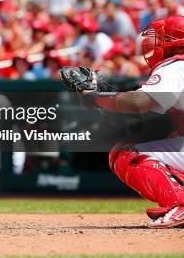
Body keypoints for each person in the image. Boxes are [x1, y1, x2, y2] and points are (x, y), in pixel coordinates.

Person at [65, 15, 183, 228]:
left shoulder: (176, 65)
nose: (155, 43)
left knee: (125, 153)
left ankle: (180, 204)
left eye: (162, 38)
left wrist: (95, 97)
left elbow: (141, 102)